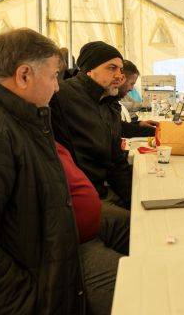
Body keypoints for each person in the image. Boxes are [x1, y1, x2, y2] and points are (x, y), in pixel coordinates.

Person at [0, 28, 84, 313]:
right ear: (24, 75)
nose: (57, 87)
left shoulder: (17, 118)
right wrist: (28, 303)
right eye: (54, 76)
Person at [51, 41, 133, 208]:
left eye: (120, 69)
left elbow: (116, 162)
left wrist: (134, 199)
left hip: (100, 191)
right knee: (135, 227)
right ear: (90, 70)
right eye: (112, 68)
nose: (119, 76)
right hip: (74, 198)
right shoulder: (61, 96)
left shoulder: (108, 105)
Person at [56, 141, 129, 314]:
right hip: (61, 251)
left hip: (77, 224)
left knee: (142, 228)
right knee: (139, 285)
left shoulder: (37, 124)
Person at [118, 60, 158, 138]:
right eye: (131, 83)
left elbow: (119, 127)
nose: (132, 89)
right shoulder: (102, 104)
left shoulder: (112, 101)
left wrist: (139, 124)